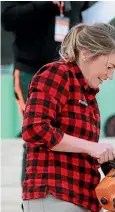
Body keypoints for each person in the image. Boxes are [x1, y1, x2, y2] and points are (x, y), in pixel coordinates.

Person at [21, 22, 115, 212]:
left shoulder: (88, 95)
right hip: (56, 196)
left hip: (82, 199)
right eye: (109, 66)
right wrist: (92, 147)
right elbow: (34, 128)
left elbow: (79, 148)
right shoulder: (57, 74)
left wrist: (111, 154)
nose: (110, 76)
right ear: (87, 53)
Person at [1, 0, 96, 190]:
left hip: (66, 70)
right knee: (37, 131)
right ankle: (32, 197)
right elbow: (7, 19)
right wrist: (44, 4)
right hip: (31, 70)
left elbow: (83, 12)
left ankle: (67, 191)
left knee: (71, 132)